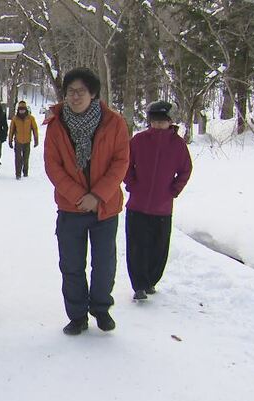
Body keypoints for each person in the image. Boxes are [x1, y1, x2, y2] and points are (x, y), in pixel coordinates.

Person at [43, 68, 130, 335]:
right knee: (71, 265)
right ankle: (77, 315)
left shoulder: (114, 123)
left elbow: (121, 162)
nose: (75, 96)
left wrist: (97, 196)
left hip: (105, 207)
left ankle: (101, 308)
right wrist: (80, 197)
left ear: (93, 94)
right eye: (71, 91)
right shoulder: (57, 125)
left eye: (81, 91)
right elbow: (53, 166)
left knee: (104, 264)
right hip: (71, 208)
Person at [124, 101, 192, 300]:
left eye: (162, 121)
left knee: (158, 248)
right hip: (137, 206)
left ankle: (151, 281)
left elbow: (185, 170)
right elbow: (125, 165)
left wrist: (173, 190)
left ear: (170, 122)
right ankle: (138, 285)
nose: (158, 125)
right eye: (154, 121)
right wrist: (132, 184)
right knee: (137, 247)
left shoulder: (178, 145)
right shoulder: (138, 140)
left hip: (162, 209)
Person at [8, 100, 39, 179]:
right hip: (18, 141)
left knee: (26, 158)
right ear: (18, 109)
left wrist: (36, 140)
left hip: (27, 141)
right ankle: (18, 174)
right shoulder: (15, 119)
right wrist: (10, 140)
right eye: (20, 109)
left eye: (23, 109)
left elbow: (35, 129)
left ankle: (25, 172)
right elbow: (11, 130)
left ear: (26, 109)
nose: (22, 111)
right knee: (18, 158)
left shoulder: (31, 118)